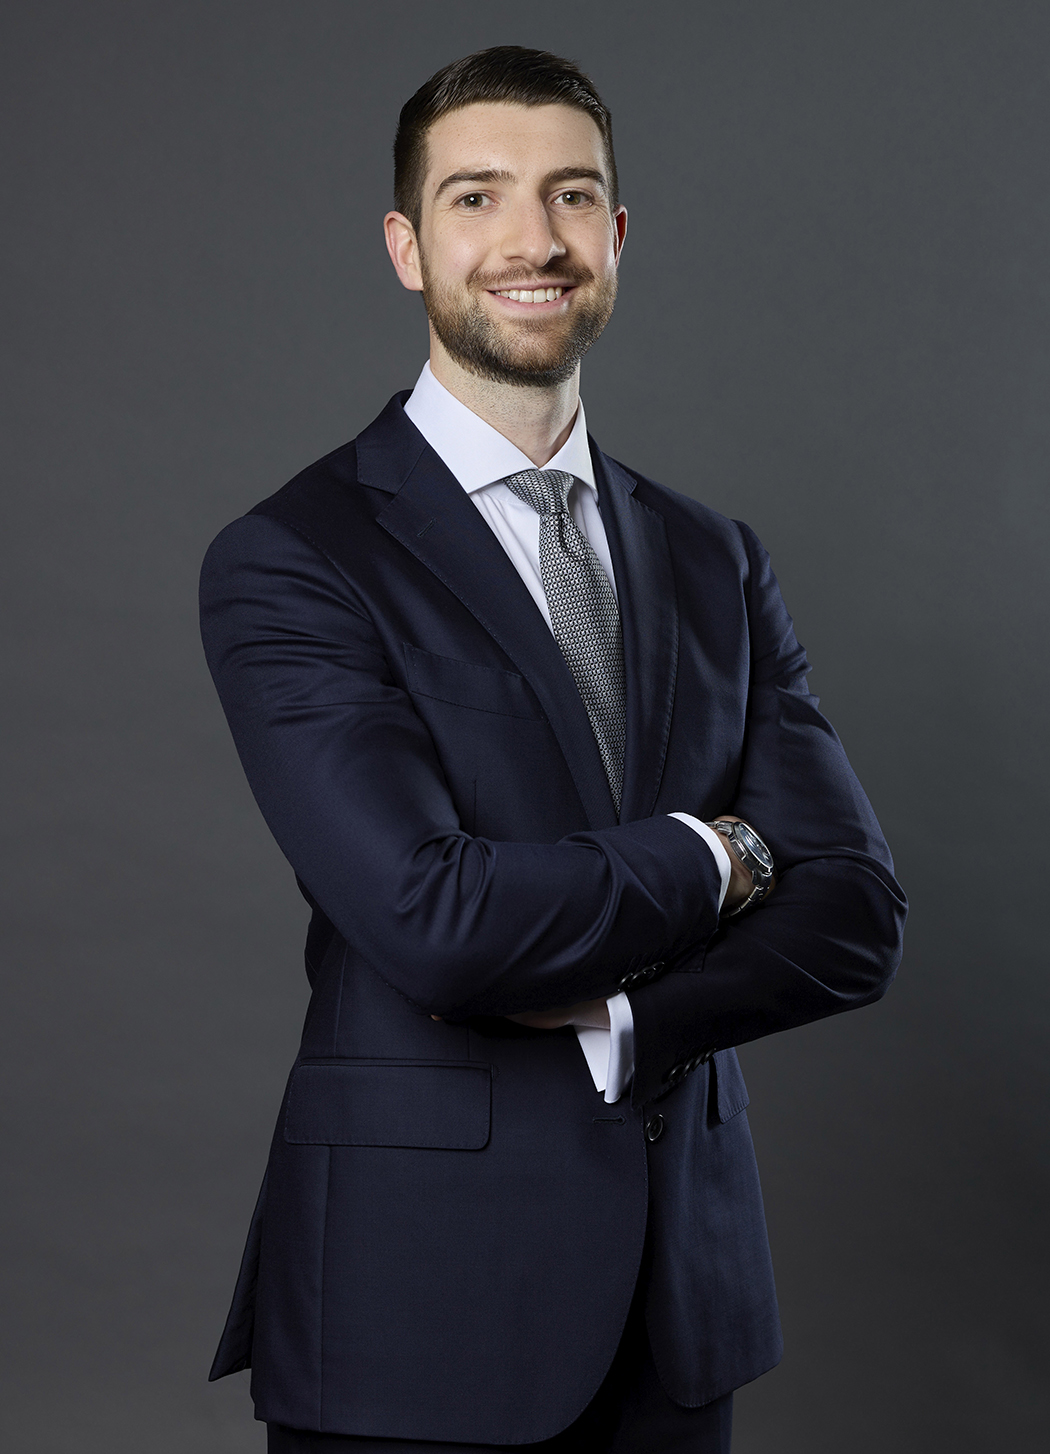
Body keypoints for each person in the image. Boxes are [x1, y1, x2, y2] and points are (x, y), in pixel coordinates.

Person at [200, 45, 906, 1454]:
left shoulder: (714, 559)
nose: (533, 240)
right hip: (414, 1306)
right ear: (407, 247)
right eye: (477, 197)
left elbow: (855, 915)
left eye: (570, 195)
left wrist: (630, 1021)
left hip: (679, 1300)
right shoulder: (296, 557)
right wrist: (720, 854)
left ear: (616, 235)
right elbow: (435, 920)